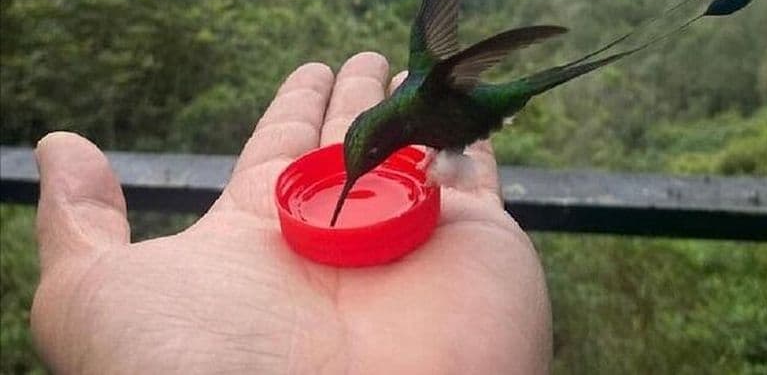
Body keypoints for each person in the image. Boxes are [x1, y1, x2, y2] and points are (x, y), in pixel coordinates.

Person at [31, 52, 552, 374]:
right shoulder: (410, 116)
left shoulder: (428, 97)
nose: (358, 181)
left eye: (368, 164)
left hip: (473, 112)